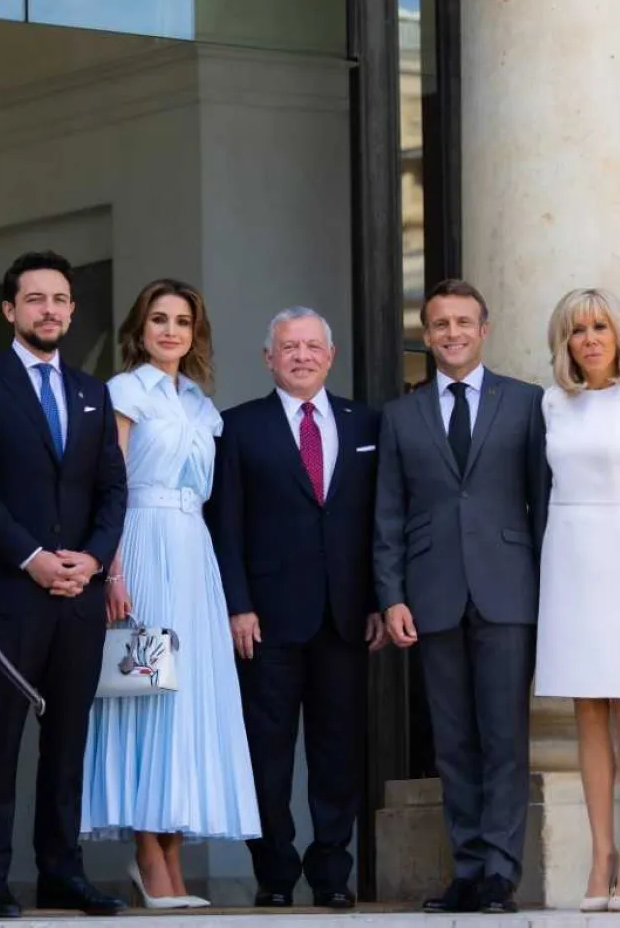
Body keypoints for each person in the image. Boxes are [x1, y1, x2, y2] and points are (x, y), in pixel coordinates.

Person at [0, 251, 128, 918]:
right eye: (35, 299)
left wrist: (92, 559)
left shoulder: (91, 390)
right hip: (7, 588)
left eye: (59, 299)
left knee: (69, 734)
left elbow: (112, 486)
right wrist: (32, 556)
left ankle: (61, 871)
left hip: (78, 592)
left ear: (72, 310)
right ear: (9, 309)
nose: (49, 309)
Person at [81, 279, 259, 908]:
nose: (170, 331)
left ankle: (173, 857)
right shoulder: (125, 393)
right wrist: (114, 572)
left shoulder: (200, 404)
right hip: (142, 549)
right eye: (159, 319)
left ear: (194, 333)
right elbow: (110, 486)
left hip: (193, 557)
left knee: (188, 707)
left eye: (182, 321)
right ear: (140, 327)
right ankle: (146, 855)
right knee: (146, 698)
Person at [373, 278, 548, 915]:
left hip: (508, 590)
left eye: (463, 323)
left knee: (504, 736)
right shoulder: (401, 414)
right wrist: (391, 596)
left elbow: (542, 504)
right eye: (440, 324)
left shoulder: (527, 403)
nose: (452, 334)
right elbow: (387, 515)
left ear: (484, 329)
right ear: (427, 333)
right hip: (432, 594)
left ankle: (500, 873)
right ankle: (467, 868)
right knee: (452, 741)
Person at [209, 307, 387, 910]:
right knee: (268, 753)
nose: (302, 356)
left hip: (345, 615)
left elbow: (376, 522)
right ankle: (275, 873)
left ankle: (333, 873)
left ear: (331, 356)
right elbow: (225, 525)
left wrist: (378, 601)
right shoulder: (237, 427)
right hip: (266, 617)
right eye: (290, 347)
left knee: (338, 752)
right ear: (269, 358)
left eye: (313, 346)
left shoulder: (366, 423)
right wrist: (238, 604)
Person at [532, 288, 620, 912]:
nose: (589, 338)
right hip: (568, 558)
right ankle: (599, 858)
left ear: (619, 334)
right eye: (577, 330)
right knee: (586, 707)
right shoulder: (552, 404)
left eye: (599, 326)